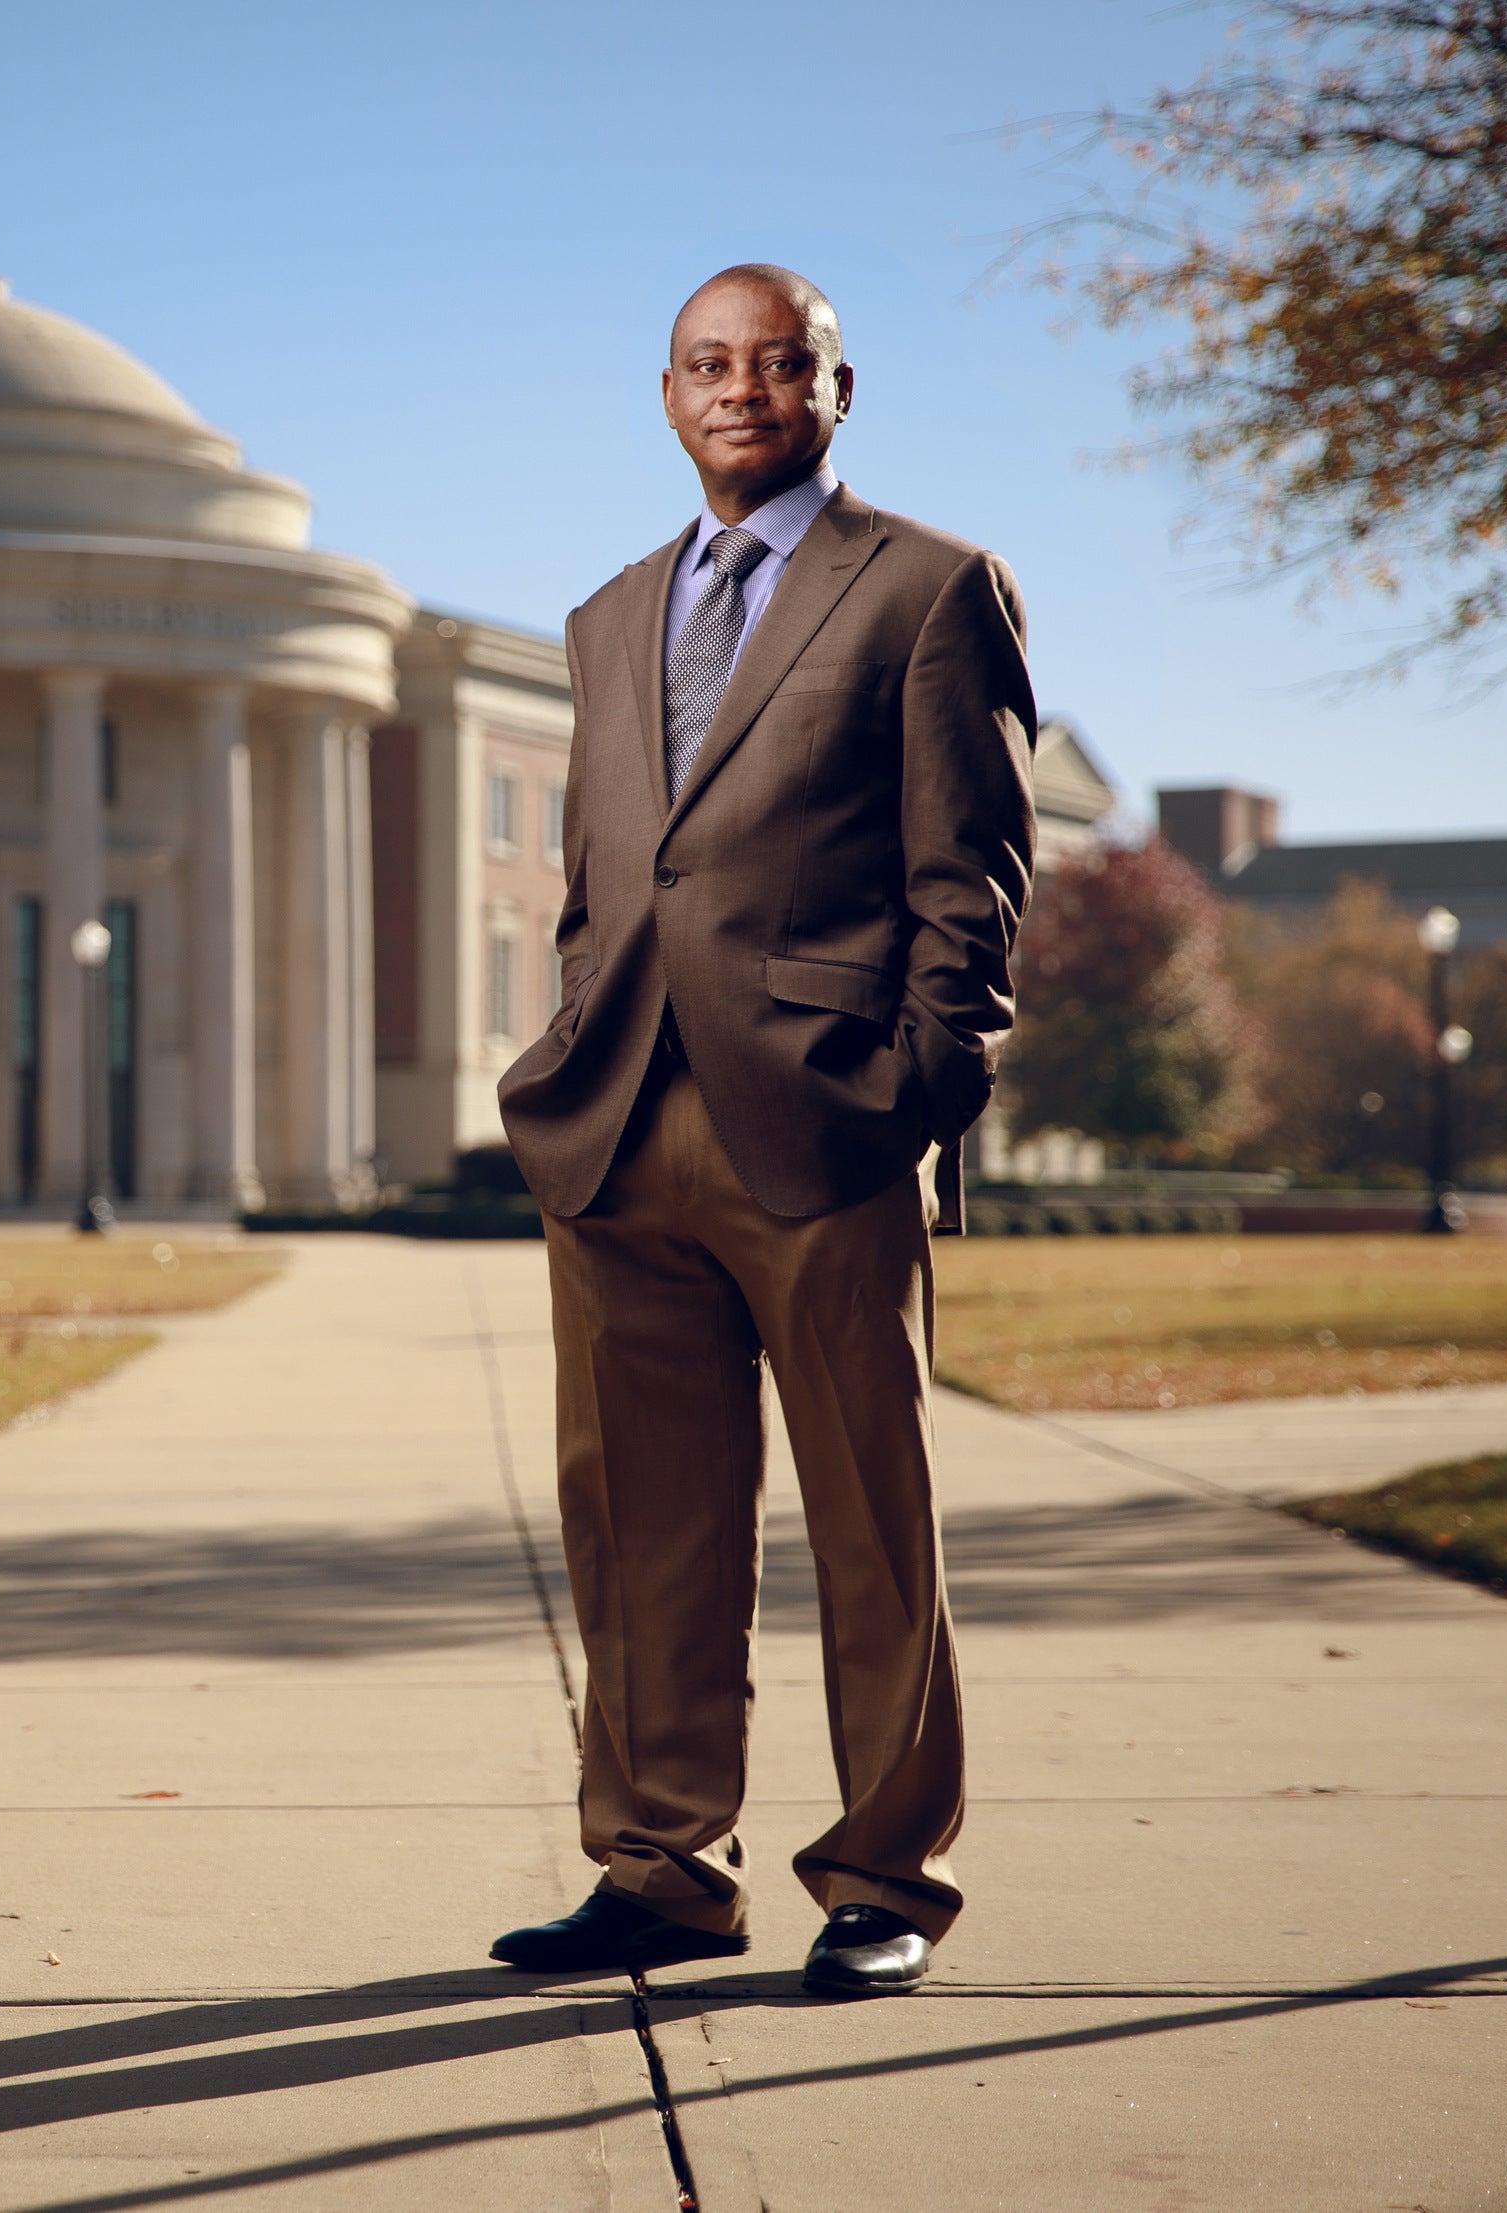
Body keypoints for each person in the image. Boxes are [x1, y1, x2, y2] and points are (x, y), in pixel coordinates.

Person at [489, 266, 1036, 1997]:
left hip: (818, 1129)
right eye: (707, 365)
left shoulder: (931, 590)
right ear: (665, 394)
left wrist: (911, 1088)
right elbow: (606, 884)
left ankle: (884, 1870)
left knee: (871, 1517)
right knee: (636, 1521)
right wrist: (567, 1050)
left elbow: (972, 882)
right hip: (615, 1133)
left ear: (833, 386)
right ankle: (658, 1863)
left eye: (774, 362)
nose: (741, 389)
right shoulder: (603, 616)